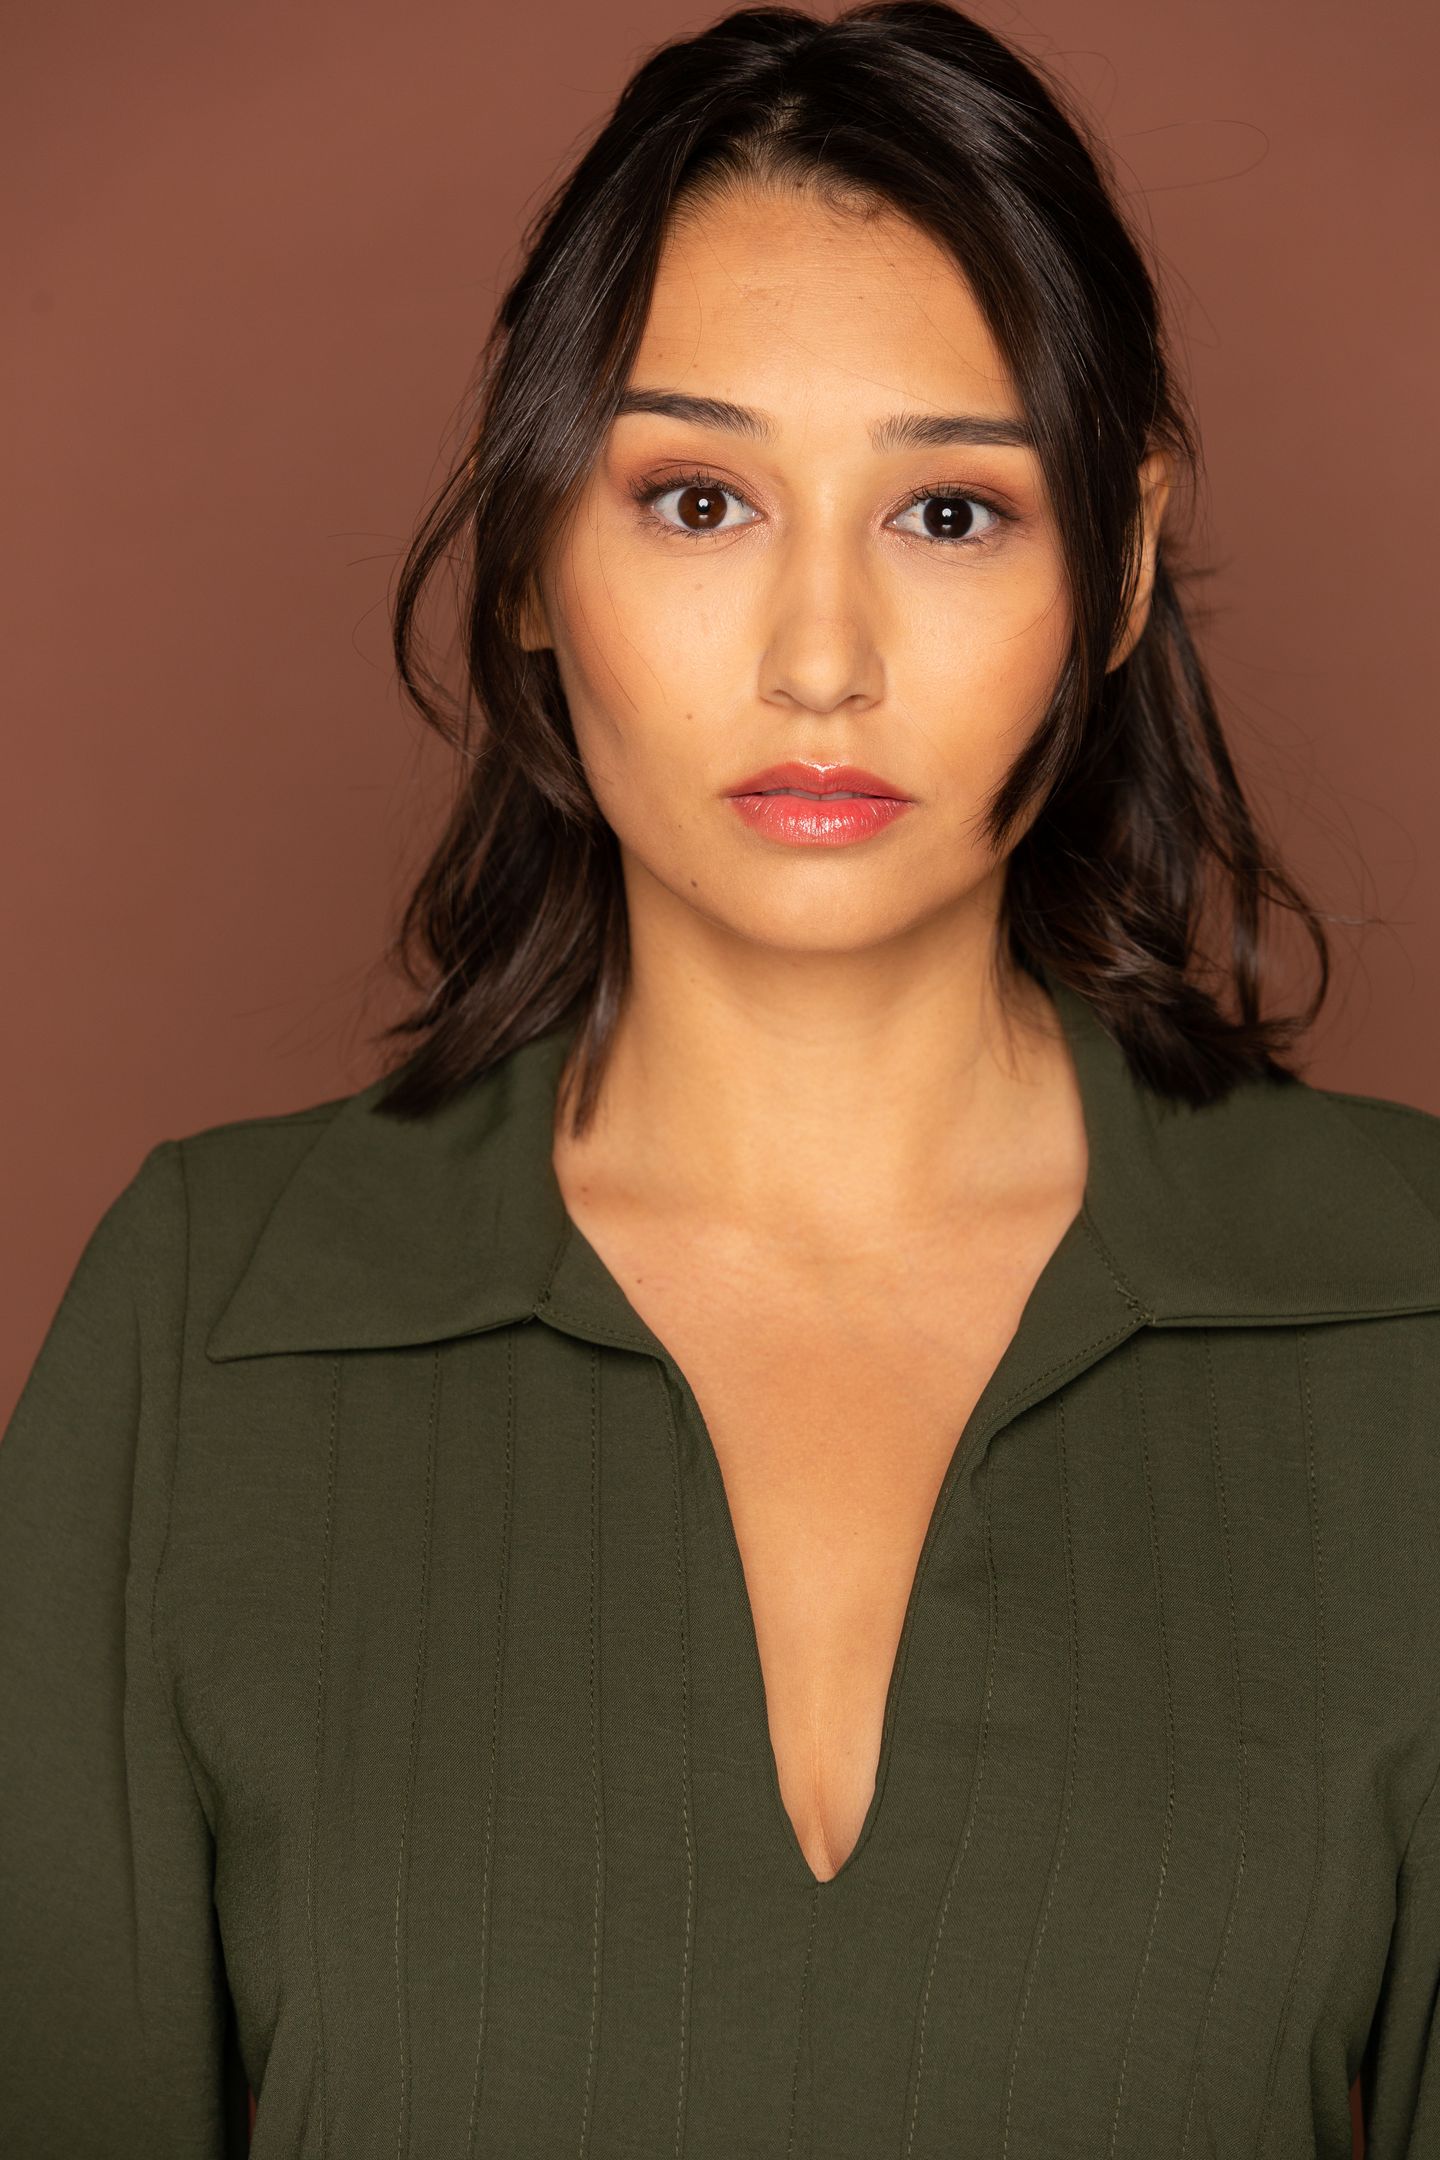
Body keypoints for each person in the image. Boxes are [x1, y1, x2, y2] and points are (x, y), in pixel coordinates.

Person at [2, 2, 1437, 2153]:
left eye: (949, 510)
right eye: (696, 499)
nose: (820, 660)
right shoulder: (206, 1327)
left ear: (1123, 561)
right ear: (529, 562)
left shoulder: (1409, 1314)